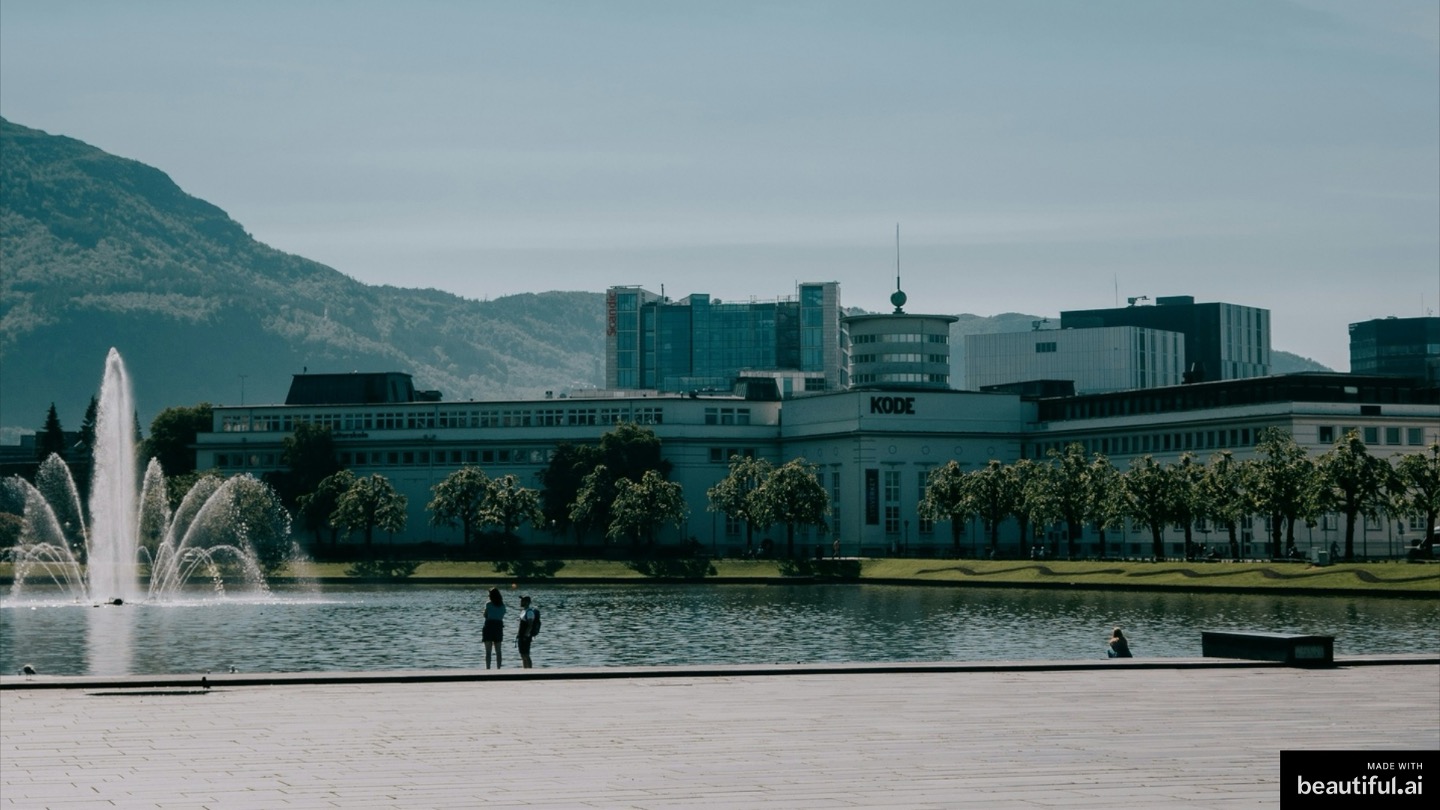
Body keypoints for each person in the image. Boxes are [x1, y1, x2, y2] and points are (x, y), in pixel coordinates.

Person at [483, 587, 506, 669]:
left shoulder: (488, 604)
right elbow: (502, 615)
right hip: (498, 626)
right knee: (498, 651)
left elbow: (485, 615)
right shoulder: (502, 605)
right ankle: (498, 668)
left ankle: (488, 668)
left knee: (488, 651)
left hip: (489, 626)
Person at [517, 595, 537, 669]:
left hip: (526, 636)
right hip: (521, 636)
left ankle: (530, 671)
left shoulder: (529, 612)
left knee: (526, 654)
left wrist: (526, 635)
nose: (521, 602)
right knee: (522, 654)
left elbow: (530, 625)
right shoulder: (523, 611)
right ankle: (525, 670)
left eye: (523, 600)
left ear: (527, 602)